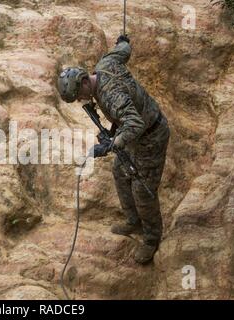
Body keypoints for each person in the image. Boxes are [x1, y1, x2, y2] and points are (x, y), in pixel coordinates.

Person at [57, 35, 170, 264]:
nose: (81, 99)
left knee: (142, 188)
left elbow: (135, 123)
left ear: (85, 82)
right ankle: (133, 220)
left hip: (151, 135)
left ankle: (151, 238)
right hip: (134, 134)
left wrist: (113, 143)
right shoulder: (104, 65)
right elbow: (124, 50)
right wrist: (123, 41)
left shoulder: (111, 97)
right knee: (120, 171)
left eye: (79, 95)